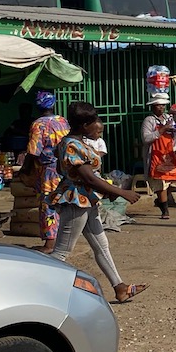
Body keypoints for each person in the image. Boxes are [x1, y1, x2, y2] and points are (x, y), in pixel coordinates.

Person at [50, 102, 146, 302]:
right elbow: (89, 178)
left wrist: (104, 190)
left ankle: (120, 287)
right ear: (85, 125)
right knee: (62, 251)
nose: (99, 126)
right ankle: (38, 288)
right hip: (77, 202)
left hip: (87, 199)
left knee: (102, 245)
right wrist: (121, 192)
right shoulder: (72, 145)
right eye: (95, 122)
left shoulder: (74, 142)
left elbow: (71, 173)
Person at [25, 89, 70, 254]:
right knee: (62, 202)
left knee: (48, 204)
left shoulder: (38, 124)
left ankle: (50, 244)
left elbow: (33, 151)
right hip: (65, 167)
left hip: (49, 171)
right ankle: (62, 239)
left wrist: (24, 170)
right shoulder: (63, 121)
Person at [141, 96, 176, 220]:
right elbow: (146, 138)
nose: (162, 108)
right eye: (159, 105)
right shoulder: (149, 121)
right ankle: (165, 210)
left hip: (168, 154)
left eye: (163, 105)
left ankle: (161, 201)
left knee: (173, 181)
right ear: (153, 107)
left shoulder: (167, 118)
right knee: (160, 183)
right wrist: (163, 129)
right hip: (155, 155)